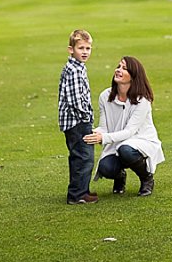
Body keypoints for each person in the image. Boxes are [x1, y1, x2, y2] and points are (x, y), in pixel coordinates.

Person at [84, 56, 164, 197]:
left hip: (140, 141)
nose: (118, 70)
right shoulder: (105, 96)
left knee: (126, 150)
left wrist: (103, 138)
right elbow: (104, 127)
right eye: (119, 66)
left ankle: (147, 178)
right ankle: (120, 176)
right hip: (117, 143)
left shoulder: (142, 101)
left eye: (124, 68)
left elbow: (130, 131)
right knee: (105, 168)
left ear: (133, 77)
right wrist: (90, 133)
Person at [58, 29, 97, 205]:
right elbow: (75, 100)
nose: (85, 52)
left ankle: (82, 190)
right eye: (81, 48)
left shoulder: (78, 67)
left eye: (88, 48)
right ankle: (77, 194)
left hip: (76, 121)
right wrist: (86, 116)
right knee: (84, 157)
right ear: (71, 49)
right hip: (77, 121)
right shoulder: (73, 70)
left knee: (79, 156)